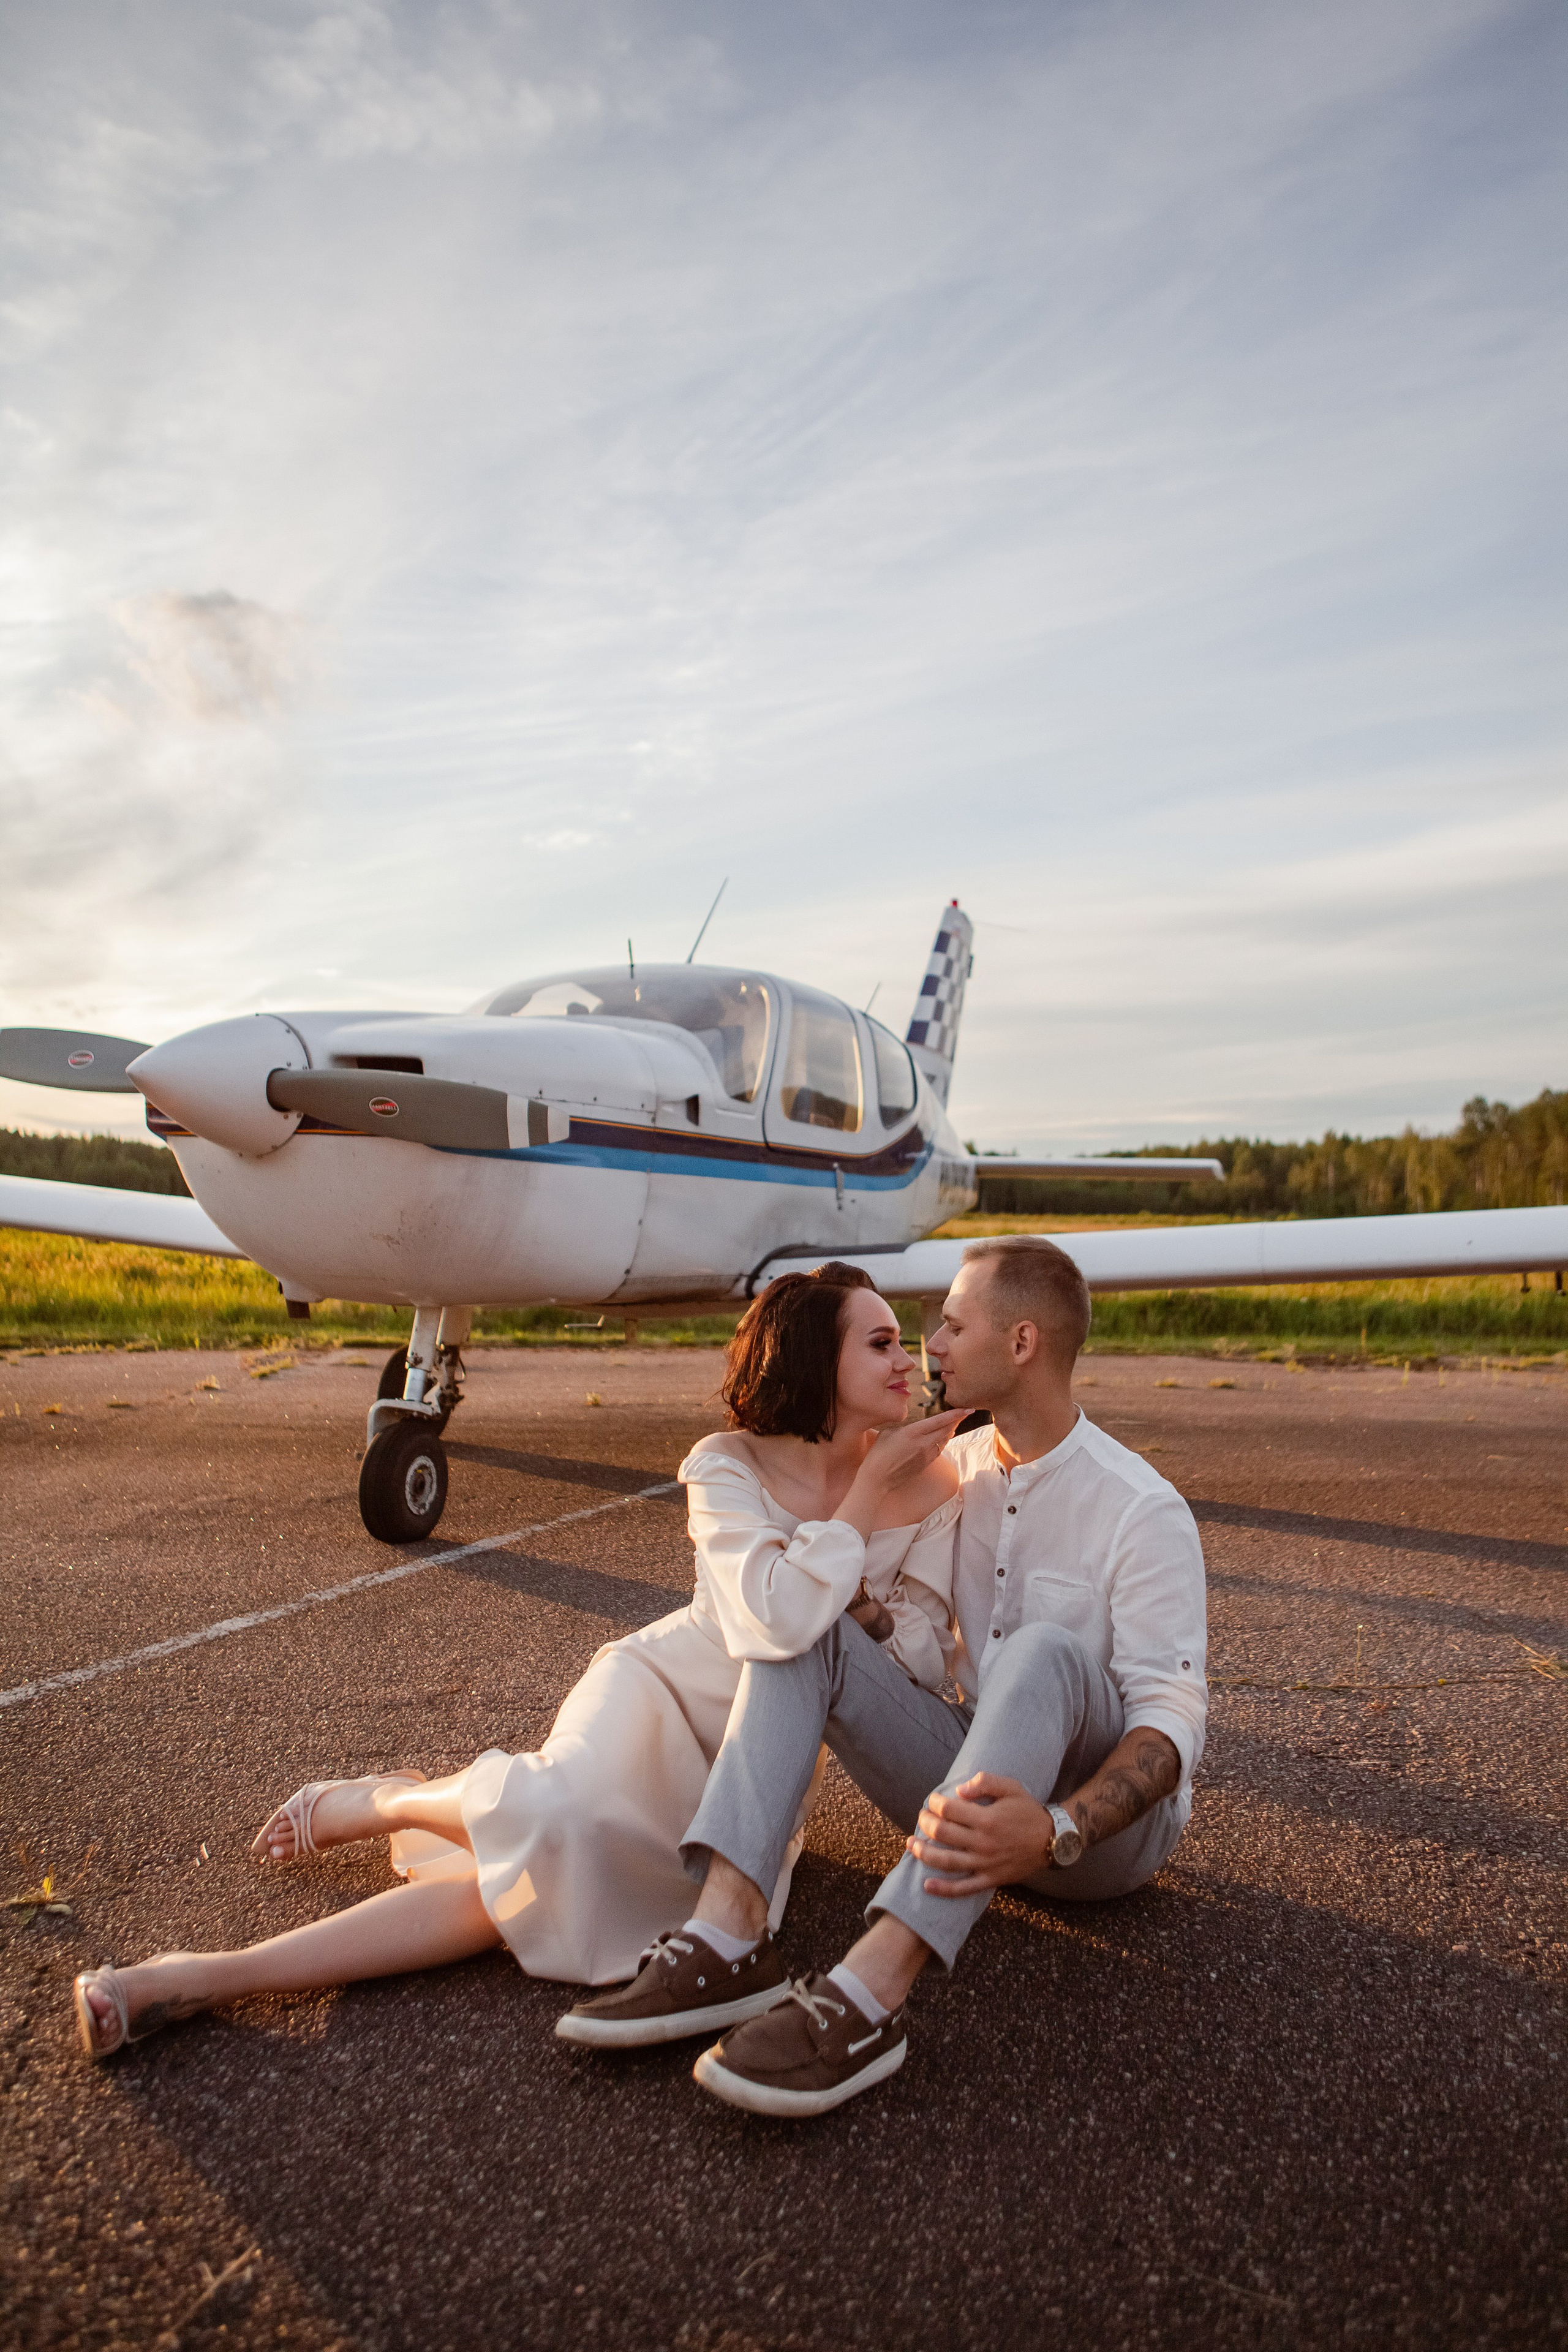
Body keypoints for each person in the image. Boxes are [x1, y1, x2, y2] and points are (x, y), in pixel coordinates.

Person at [71, 1267, 964, 2060]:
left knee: (514, 1897)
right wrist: (863, 1498)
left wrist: (871, 1600)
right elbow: (769, 1621)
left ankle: (212, 1975)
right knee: (549, 1817)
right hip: (653, 1702)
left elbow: (922, 1657)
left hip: (751, 1767)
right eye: (880, 1341)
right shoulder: (724, 1464)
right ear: (814, 1359)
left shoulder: (937, 1486)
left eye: (904, 1341)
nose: (906, 1359)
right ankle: (372, 1810)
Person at [561, 1235, 1208, 2117]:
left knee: (1044, 1649)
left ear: (1022, 1344)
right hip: (967, 1790)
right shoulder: (950, 1472)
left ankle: (869, 1997)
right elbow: (885, 1636)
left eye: (949, 1325)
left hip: (1093, 1845)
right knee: (810, 1623)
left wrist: (1054, 1828)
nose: (929, 1346)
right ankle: (726, 1937)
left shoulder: (1140, 1506)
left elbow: (1172, 1727)